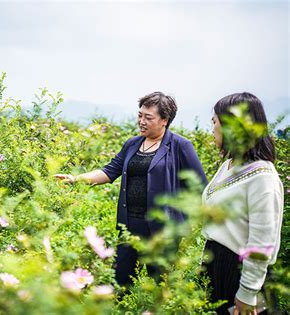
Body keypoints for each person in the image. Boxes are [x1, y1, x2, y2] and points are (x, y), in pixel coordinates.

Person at [55, 91, 207, 286]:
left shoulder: (180, 146)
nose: (141, 121)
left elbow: (199, 186)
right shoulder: (133, 144)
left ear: (164, 120)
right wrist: (76, 178)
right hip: (129, 226)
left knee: (159, 285)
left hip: (162, 231)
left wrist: (183, 219)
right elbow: (109, 171)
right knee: (119, 281)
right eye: (140, 115)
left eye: (148, 117)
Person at [202, 92, 284, 315]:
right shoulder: (229, 165)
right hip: (217, 263)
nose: (212, 129)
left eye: (215, 122)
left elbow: (262, 240)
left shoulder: (262, 176)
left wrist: (247, 292)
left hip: (239, 271)